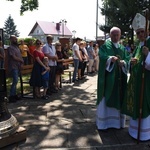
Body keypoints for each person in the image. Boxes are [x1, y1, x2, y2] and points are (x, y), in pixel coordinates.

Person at [122, 13, 150, 141]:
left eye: (142, 32)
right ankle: (134, 130)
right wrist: (132, 62)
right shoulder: (139, 45)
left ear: (147, 30)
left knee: (144, 103)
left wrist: (148, 54)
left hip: (147, 82)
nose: (140, 35)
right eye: (138, 33)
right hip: (136, 81)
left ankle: (144, 133)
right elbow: (136, 61)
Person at [96, 27, 130, 130]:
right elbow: (101, 57)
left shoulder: (122, 48)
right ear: (110, 35)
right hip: (108, 80)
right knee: (106, 98)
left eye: (117, 35)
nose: (115, 37)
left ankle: (117, 123)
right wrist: (110, 59)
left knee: (119, 97)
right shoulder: (105, 47)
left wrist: (123, 63)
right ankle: (104, 124)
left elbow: (127, 59)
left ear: (120, 35)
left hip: (120, 80)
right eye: (113, 35)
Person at [7, 35, 24, 103]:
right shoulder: (10, 48)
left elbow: (20, 56)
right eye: (14, 39)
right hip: (14, 67)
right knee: (15, 81)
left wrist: (22, 63)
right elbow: (14, 57)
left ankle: (14, 94)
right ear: (11, 40)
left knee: (16, 81)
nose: (16, 40)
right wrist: (21, 60)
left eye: (16, 39)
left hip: (18, 66)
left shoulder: (17, 47)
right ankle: (11, 96)